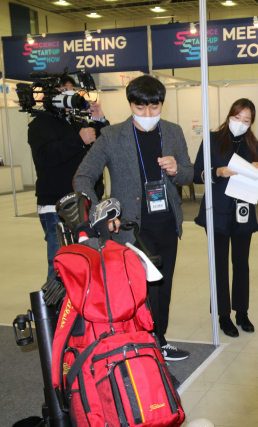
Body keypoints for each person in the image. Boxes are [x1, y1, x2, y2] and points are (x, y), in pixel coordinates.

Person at [74, 75, 193, 361]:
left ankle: (159, 339)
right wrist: (102, 214)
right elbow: (83, 178)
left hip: (167, 221)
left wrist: (177, 170)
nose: (149, 114)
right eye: (141, 108)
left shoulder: (173, 132)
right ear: (131, 105)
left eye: (155, 107)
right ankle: (143, 344)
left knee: (163, 285)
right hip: (131, 227)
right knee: (140, 289)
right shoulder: (113, 136)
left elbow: (190, 173)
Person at [193, 99, 258, 338]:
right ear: (229, 116)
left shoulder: (253, 143)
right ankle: (223, 315)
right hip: (218, 211)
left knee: (241, 264)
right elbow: (196, 174)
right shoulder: (212, 140)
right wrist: (217, 172)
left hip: (242, 212)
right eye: (237, 118)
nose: (241, 124)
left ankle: (241, 312)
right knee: (219, 265)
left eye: (246, 120)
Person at [28, 75, 108, 280]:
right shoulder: (40, 123)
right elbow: (45, 155)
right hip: (56, 206)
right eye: (63, 89)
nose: (68, 94)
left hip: (83, 203)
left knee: (85, 263)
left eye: (71, 89)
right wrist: (78, 140)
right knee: (61, 265)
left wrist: (99, 119)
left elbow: (101, 146)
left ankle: (79, 310)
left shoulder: (75, 121)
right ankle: (55, 311)